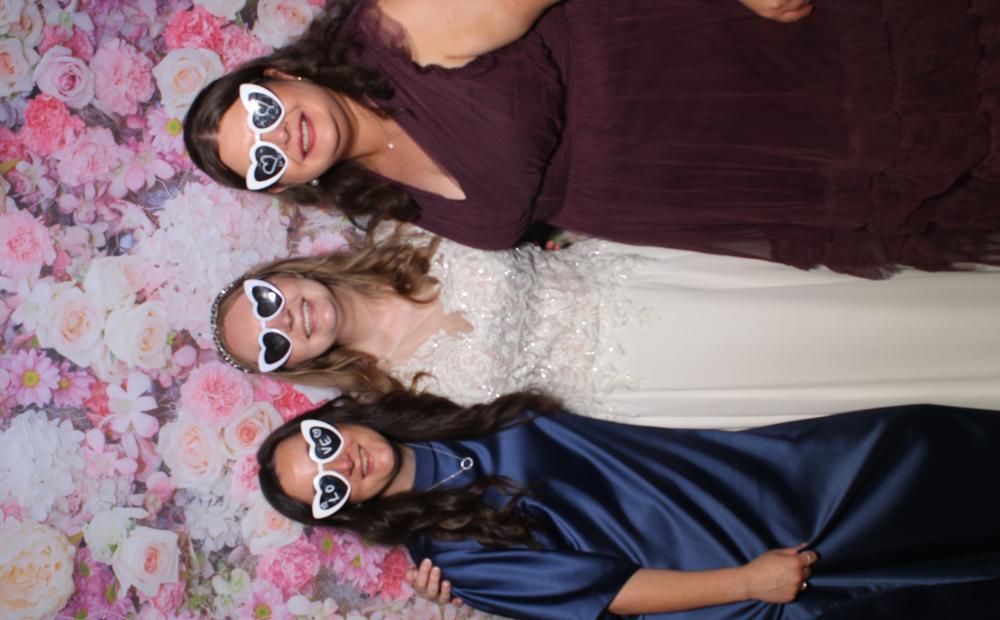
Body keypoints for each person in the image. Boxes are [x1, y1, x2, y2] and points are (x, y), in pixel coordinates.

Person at [183, 0, 1000, 277]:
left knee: (945, 100)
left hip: (706, 70)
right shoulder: (386, 197)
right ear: (284, 183)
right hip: (696, 186)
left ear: (279, 74)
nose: (283, 135)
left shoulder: (393, 29)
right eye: (265, 159)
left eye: (261, 109)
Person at [256, 390, 1000, 620]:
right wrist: (749, 580)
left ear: (335, 418)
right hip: (734, 576)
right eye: (327, 489)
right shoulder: (452, 557)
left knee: (933, 451)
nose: (341, 464)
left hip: (756, 486)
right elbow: (607, 592)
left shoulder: (452, 416)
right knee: (948, 576)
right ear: (346, 511)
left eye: (321, 446)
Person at [210, 229, 1000, 429]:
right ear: (293, 364)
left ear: (286, 273)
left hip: (655, 274)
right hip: (650, 381)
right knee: (838, 372)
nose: (289, 319)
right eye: (273, 342)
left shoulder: (401, 229)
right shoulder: (394, 404)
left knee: (842, 296)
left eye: (269, 300)